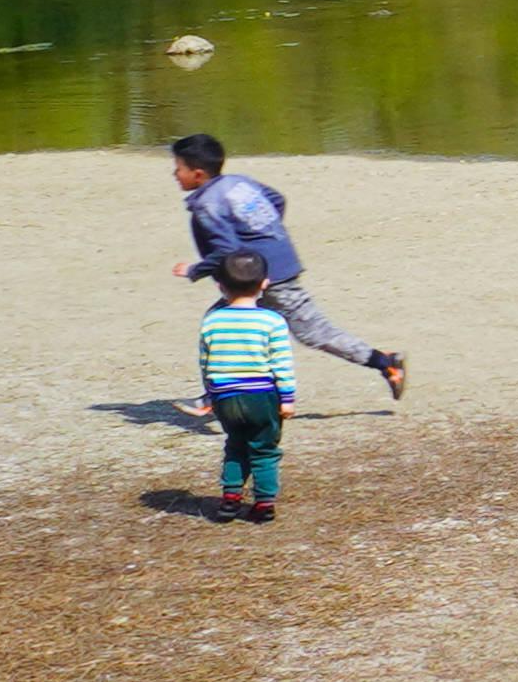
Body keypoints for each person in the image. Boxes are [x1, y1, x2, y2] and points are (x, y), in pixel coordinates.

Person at [168, 137, 404, 401]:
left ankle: (386, 363)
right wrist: (266, 234)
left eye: (178, 168)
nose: (175, 174)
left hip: (265, 278)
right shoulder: (238, 183)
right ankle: (214, 396)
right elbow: (276, 200)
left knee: (313, 332)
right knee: (222, 324)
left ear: (198, 174)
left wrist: (195, 270)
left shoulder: (207, 205)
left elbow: (226, 252)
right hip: (268, 270)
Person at [197, 249, 297, 510]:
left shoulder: (212, 320)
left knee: (235, 444)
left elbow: (206, 362)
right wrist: (287, 398)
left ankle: (231, 496)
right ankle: (264, 500)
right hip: (261, 395)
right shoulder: (272, 321)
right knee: (264, 447)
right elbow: (281, 364)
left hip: (224, 395)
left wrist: (209, 393)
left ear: (220, 286)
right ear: (265, 283)